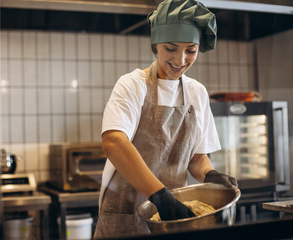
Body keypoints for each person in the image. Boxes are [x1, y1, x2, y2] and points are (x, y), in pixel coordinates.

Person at [93, 0, 238, 238]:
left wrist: (210, 176)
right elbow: (114, 143)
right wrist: (159, 196)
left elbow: (196, 157)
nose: (180, 60)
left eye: (190, 50)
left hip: (174, 216)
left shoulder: (196, 92)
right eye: (171, 48)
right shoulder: (132, 85)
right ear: (156, 45)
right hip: (125, 212)